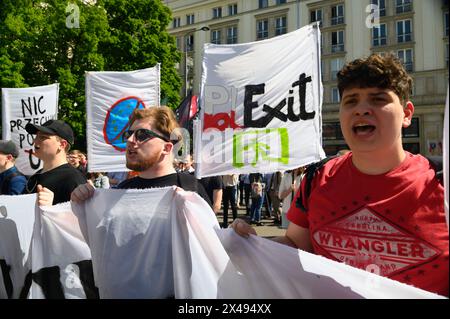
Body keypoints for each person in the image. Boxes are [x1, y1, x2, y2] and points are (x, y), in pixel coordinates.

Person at [231, 53, 449, 296]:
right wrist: (251, 243)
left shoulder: (442, 183)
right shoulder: (317, 178)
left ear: (407, 114)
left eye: (378, 99)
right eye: (351, 101)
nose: (362, 110)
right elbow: (296, 247)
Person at [55, 106, 210, 206]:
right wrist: (81, 205)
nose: (129, 140)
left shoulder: (191, 190)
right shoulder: (121, 192)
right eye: (129, 134)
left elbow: (210, 249)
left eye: (142, 135)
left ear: (167, 147)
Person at [23, 120, 87, 205]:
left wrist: (51, 210)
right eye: (36, 137)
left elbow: (82, 216)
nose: (35, 142)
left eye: (42, 137)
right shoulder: (37, 175)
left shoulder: (73, 179)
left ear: (62, 144)